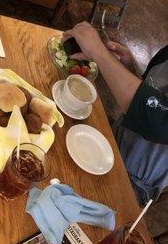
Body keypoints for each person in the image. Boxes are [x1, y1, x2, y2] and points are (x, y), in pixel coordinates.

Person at [62, 22, 168, 206]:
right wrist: (128, 70)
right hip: (113, 138)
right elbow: (152, 92)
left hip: (134, 181)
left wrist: (99, 53)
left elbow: (158, 122)